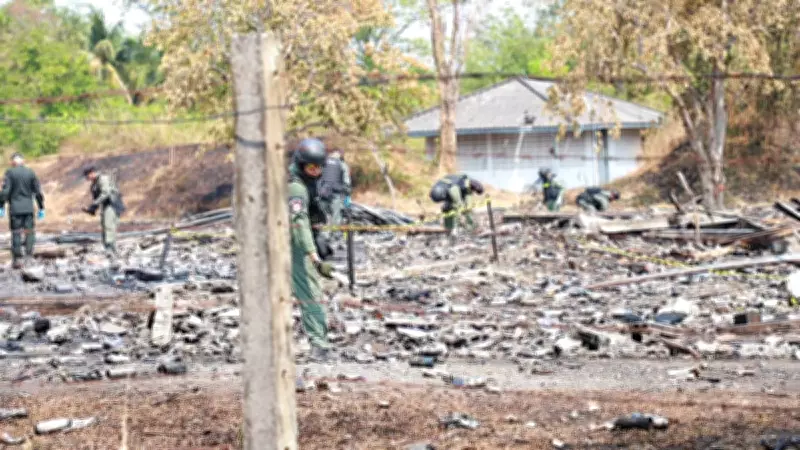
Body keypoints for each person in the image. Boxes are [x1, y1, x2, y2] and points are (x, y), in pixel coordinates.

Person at [289, 138, 336, 361]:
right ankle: (319, 344)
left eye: (319, 167)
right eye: (311, 167)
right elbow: (299, 223)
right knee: (310, 293)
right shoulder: (296, 187)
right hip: (293, 244)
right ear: (302, 165)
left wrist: (319, 238)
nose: (316, 171)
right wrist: (313, 255)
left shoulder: (309, 183)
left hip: (300, 239)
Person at [0, 153, 45, 268]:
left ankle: (17, 259)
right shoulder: (30, 172)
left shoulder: (9, 173)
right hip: (29, 208)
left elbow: (5, 192)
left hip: (15, 209)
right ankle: (29, 256)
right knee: (29, 231)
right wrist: (41, 207)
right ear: (23, 161)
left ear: (13, 162)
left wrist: (1, 205)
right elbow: (38, 192)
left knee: (16, 232)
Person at [82, 167, 125, 255]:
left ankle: (110, 248)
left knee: (108, 224)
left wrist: (94, 204)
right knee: (104, 225)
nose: (87, 178)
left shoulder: (103, 179)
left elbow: (106, 193)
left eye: (87, 175)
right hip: (106, 205)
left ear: (91, 173)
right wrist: (91, 209)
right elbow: (97, 199)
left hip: (113, 203)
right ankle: (108, 248)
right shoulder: (93, 185)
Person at [317, 148, 352, 232]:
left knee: (324, 219)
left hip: (322, 194)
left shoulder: (323, 162)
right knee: (336, 219)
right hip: (336, 195)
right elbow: (347, 183)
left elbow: (318, 178)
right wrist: (347, 198)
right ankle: (334, 237)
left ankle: (323, 236)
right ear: (340, 155)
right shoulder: (342, 164)